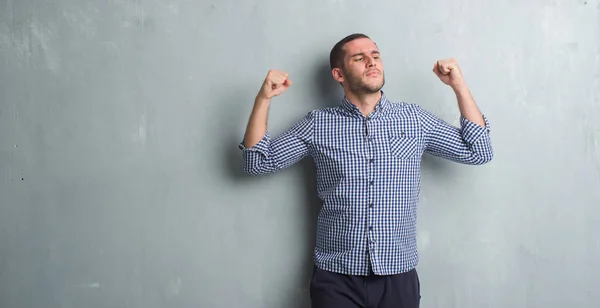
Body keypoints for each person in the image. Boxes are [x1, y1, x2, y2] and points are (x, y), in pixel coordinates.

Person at [238, 33, 493, 308]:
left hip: (398, 273)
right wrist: (264, 98)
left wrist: (458, 86)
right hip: (337, 277)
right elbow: (257, 162)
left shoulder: (414, 119)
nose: (371, 62)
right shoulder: (318, 124)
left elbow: (479, 151)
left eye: (375, 55)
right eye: (359, 58)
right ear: (339, 74)